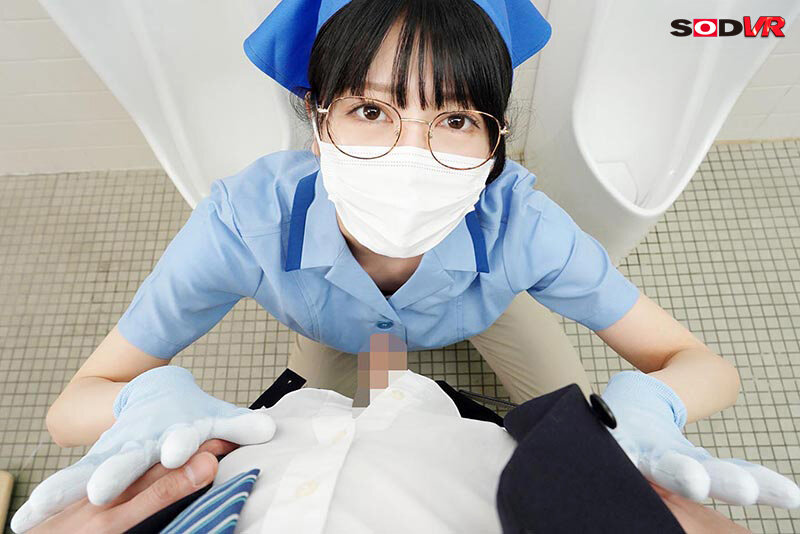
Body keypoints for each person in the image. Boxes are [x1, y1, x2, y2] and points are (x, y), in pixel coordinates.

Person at [19, 0, 799, 530]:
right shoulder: (244, 223)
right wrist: (147, 404)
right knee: (313, 425)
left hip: (488, 311)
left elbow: (700, 364)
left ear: (493, 138)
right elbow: (71, 409)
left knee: (572, 424)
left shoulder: (520, 224)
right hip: (334, 335)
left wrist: (649, 408)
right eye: (371, 110)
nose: (411, 151)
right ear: (317, 116)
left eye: (454, 118)